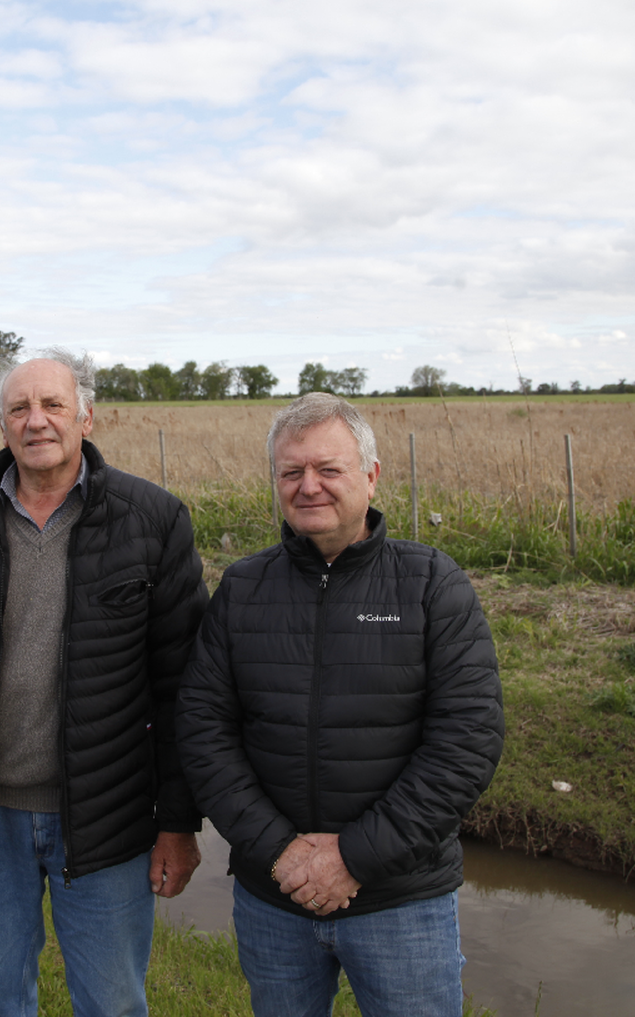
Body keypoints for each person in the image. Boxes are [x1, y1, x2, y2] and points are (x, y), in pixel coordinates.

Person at [0, 347, 207, 1017]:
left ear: (87, 416)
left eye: (53, 404)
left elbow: (182, 687)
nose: (37, 421)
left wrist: (178, 822)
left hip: (108, 815)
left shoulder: (154, 521)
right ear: (1, 426)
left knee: (112, 1003)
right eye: (19, 408)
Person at [175, 392, 504, 1017]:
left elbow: (467, 741)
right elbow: (203, 731)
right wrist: (282, 852)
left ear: (371, 476)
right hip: (275, 898)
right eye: (291, 472)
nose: (309, 487)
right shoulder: (244, 589)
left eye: (329, 470)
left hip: (402, 902)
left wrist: (354, 857)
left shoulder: (434, 585)